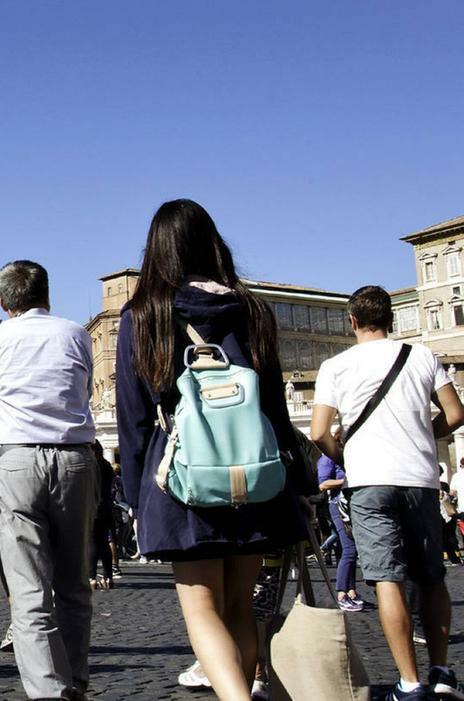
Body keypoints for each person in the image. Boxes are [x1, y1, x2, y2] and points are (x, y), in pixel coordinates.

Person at [116, 201, 310, 701]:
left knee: (202, 608)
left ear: (156, 249)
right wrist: (298, 478)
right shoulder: (252, 309)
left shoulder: (144, 314)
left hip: (182, 474)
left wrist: (137, 498)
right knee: (241, 607)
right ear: (212, 242)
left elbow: (134, 417)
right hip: (255, 472)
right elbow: (273, 405)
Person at [311, 285, 464, 701]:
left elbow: (320, 432)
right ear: (392, 318)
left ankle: (409, 683)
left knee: (386, 580)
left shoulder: (336, 366)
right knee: (432, 578)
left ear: (353, 321)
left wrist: (342, 451)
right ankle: (442, 671)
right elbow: (455, 414)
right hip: (419, 478)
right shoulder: (423, 356)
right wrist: (423, 434)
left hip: (369, 481)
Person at [0, 259, 98, 701]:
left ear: (3, 302)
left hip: (19, 461)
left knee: (29, 590)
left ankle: (48, 693)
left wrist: (0, 392)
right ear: (48, 293)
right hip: (76, 461)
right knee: (74, 585)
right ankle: (76, 681)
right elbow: (85, 390)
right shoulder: (76, 334)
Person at [316, 454, 367, 611]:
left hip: (352, 505)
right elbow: (323, 484)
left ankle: (350, 591)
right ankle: (341, 593)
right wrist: (346, 482)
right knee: (349, 549)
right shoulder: (327, 459)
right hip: (339, 506)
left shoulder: (347, 455)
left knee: (349, 549)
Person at [90, 441, 116, 590]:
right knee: (104, 543)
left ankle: (92, 577)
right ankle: (108, 577)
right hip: (106, 506)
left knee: (92, 542)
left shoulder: (91, 466)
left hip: (92, 506)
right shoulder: (106, 465)